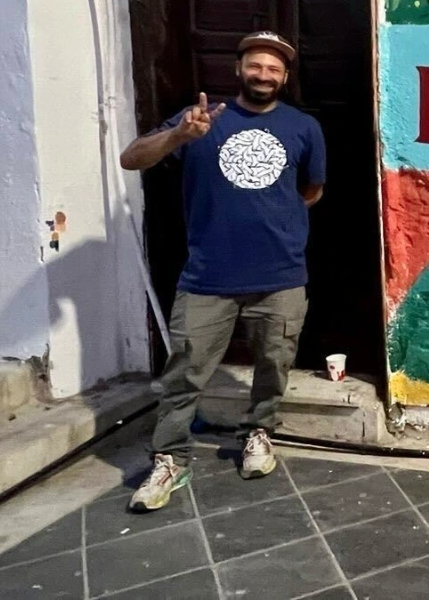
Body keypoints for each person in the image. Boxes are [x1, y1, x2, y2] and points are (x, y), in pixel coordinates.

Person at [118, 31, 326, 512]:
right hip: (207, 276)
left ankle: (258, 431)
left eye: (274, 69)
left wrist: (277, 222)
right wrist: (177, 136)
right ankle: (170, 458)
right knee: (184, 373)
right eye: (255, 66)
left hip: (281, 274)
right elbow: (132, 158)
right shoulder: (201, 120)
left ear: (285, 77)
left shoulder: (303, 127)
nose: (264, 75)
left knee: (274, 364)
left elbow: (312, 189)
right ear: (238, 70)